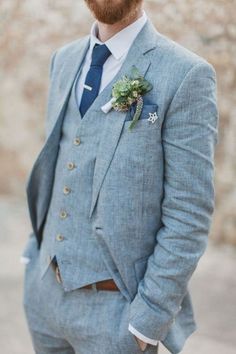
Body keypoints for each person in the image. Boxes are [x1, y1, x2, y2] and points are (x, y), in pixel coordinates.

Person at [21, 0, 219, 353]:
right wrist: (33, 257)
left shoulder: (187, 73)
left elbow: (190, 210)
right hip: (45, 301)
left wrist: (149, 319)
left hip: (118, 317)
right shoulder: (63, 60)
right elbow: (56, 164)